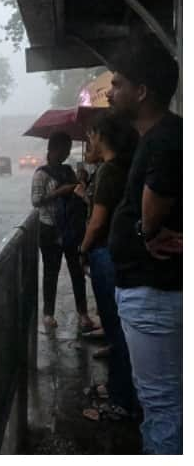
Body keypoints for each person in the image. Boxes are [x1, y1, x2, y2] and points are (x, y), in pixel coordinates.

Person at [106, 36, 182, 454]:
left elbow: (150, 221)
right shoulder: (160, 136)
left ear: (142, 91)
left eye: (117, 83)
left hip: (155, 295)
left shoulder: (164, 139)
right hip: (153, 292)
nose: (110, 91)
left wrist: (139, 234)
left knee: (163, 406)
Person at [76, 113, 139, 421]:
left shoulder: (110, 172)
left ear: (102, 136)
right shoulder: (116, 169)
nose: (89, 141)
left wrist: (82, 249)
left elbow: (98, 221)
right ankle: (118, 389)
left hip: (105, 255)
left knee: (116, 330)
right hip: (114, 254)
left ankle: (121, 401)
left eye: (91, 136)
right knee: (118, 330)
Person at [30, 131, 95, 332]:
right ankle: (48, 314)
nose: (66, 154)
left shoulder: (68, 171)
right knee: (51, 272)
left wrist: (81, 181)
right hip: (49, 229)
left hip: (70, 229)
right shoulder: (41, 174)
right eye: (63, 150)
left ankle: (83, 313)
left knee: (77, 271)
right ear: (53, 149)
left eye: (68, 150)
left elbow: (80, 194)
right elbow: (36, 200)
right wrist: (59, 192)